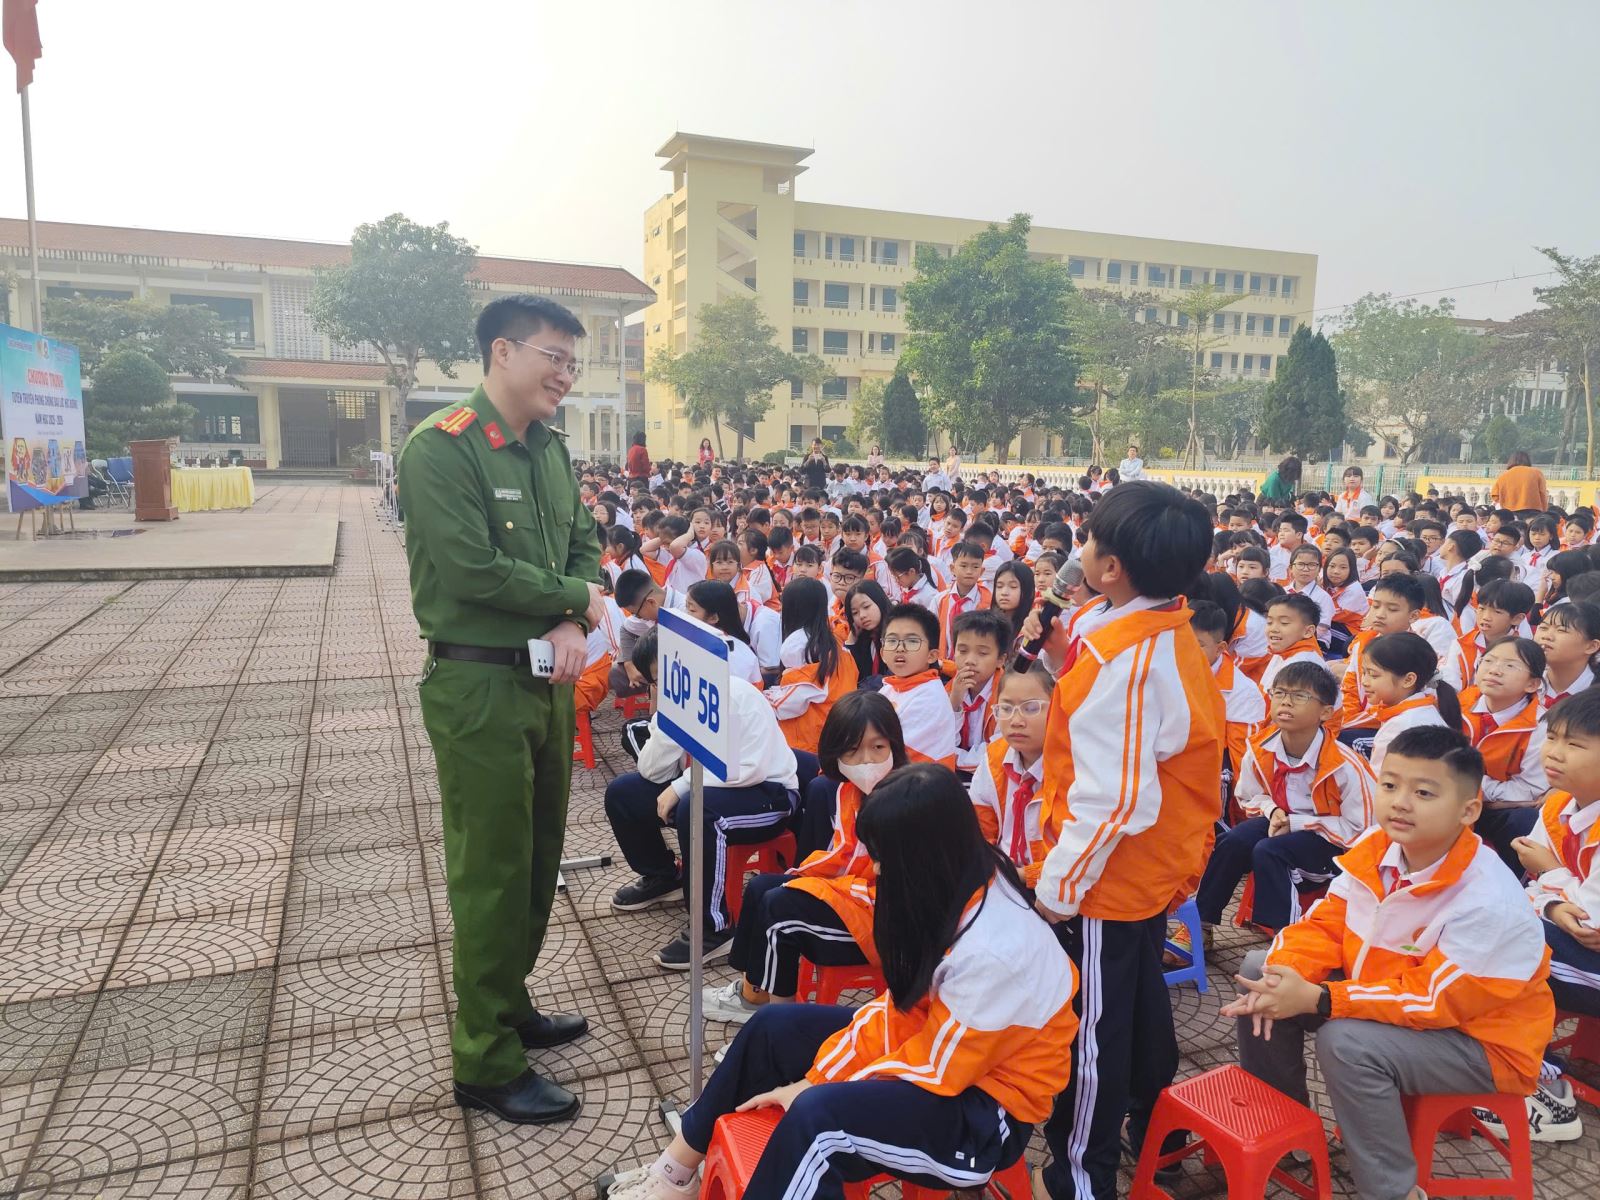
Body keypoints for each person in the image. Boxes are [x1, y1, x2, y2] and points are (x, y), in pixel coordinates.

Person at [609, 763, 1078, 1200]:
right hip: (939, 1051)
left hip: (985, 1113)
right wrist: (819, 1075)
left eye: (884, 858)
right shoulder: (958, 879)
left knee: (819, 1121)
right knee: (773, 1028)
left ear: (924, 855)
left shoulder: (995, 953)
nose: (876, 869)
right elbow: (900, 1014)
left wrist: (813, 1087)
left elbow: (938, 1070)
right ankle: (674, 1173)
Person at [398, 294, 603, 1124]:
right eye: (554, 357)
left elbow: (584, 544)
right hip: (478, 687)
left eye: (573, 363)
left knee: (537, 857)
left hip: (546, 680)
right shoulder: (441, 448)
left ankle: (508, 1003)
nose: (565, 375)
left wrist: (571, 619)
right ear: (502, 353)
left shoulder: (551, 451)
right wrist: (574, 600)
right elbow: (471, 569)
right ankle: (483, 1057)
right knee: (490, 871)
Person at [1226, 725, 1554, 1200]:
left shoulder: (1487, 899)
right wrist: (1287, 976)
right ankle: (1285, 1130)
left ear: (1469, 810)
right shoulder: (1378, 847)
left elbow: (1435, 1001)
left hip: (1479, 1041)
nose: (1400, 802)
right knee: (1262, 971)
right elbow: (1325, 925)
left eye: (1424, 793)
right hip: (1397, 999)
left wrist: (1322, 998)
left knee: (1347, 1042)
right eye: (1390, 784)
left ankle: (1393, 1190)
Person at [1023, 480, 1225, 1200]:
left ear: (1109, 568)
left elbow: (1115, 802)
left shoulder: (1130, 662)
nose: (1077, 549)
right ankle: (1153, 1135)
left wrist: (1059, 889)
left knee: (1094, 1037)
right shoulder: (1151, 626)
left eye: (1088, 540)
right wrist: (1060, 658)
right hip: (1144, 870)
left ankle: (1081, 1177)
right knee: (1137, 1009)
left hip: (1110, 878)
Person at [702, 691, 906, 1025]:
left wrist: (814, 888)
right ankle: (754, 993)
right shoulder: (849, 792)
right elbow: (843, 856)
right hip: (857, 897)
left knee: (780, 911)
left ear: (895, 744)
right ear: (836, 754)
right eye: (852, 751)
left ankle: (778, 1023)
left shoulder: (905, 798)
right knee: (763, 887)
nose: (866, 761)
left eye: (878, 747)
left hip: (886, 923)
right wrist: (805, 880)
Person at [602, 630, 800, 967]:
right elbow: (650, 770)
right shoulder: (676, 700)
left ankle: (715, 928)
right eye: (659, 678)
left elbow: (746, 770)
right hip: (708, 788)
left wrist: (681, 787)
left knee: (698, 810)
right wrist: (669, 720)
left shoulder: (737, 695)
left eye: (674, 669)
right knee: (624, 793)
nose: (671, 681)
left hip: (769, 793)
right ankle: (664, 876)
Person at [1195, 662, 1375, 936]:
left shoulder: (1345, 765)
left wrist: (1298, 823)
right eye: (1279, 693)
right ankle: (1200, 926)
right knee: (1233, 842)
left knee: (1269, 851)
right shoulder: (1262, 748)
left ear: (1326, 712)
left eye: (1299, 696)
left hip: (1333, 845)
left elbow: (1360, 830)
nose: (1285, 702)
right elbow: (1248, 795)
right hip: (1283, 823)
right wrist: (1272, 810)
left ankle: (1284, 939)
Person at [1509, 688, 1600, 1142]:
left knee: (1513, 950)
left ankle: (1539, 1087)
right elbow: (1527, 889)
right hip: (1577, 947)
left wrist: (1550, 874)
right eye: (1552, 738)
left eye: (1575, 744)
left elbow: (1590, 925)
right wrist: (1553, 902)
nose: (1554, 753)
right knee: (1502, 928)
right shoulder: (1558, 804)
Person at [1462, 636, 1549, 873]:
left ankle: (1513, 880)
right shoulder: (1457, 705)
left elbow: (1529, 790)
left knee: (1524, 820)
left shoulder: (1540, 725)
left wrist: (1469, 783)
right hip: (1452, 801)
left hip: (1494, 811)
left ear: (1532, 684)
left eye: (1510, 665)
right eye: (1489, 660)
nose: (1495, 670)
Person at [947, 609, 1010, 780]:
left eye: (982, 653)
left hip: (995, 776)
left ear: (1001, 660)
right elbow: (940, 740)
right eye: (962, 651)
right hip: (956, 773)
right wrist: (954, 703)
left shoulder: (1008, 695)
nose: (970, 660)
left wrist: (953, 757)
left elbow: (997, 753)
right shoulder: (949, 688)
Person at [1491, 449, 1549, 517]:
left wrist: (1507, 502)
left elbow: (1495, 496)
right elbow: (1543, 494)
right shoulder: (1537, 473)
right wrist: (1544, 512)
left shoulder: (1503, 476)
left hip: (1511, 513)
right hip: (1533, 512)